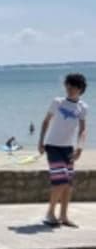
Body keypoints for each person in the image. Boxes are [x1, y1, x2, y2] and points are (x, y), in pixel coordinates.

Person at [38, 73, 88, 228]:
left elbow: (83, 129)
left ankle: (64, 216)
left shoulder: (83, 107)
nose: (68, 88)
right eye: (67, 85)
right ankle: (50, 213)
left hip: (68, 148)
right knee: (60, 181)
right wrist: (40, 141)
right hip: (53, 146)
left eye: (72, 86)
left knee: (68, 184)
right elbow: (46, 121)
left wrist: (80, 148)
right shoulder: (58, 102)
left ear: (79, 89)